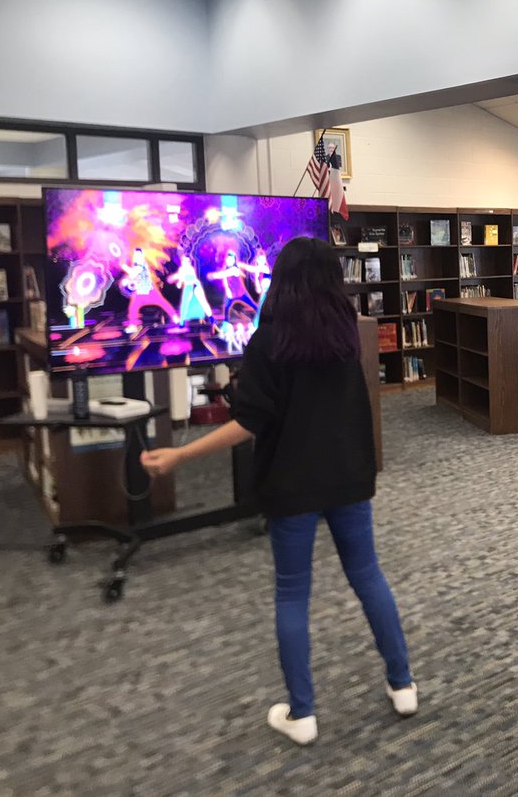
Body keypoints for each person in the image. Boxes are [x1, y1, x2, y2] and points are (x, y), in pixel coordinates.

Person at [141, 237, 417, 745]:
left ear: (282, 283)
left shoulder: (269, 342)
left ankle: (303, 714)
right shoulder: (345, 336)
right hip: (348, 478)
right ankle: (403, 685)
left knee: (293, 593)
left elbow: (250, 422)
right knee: (368, 577)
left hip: (292, 485)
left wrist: (179, 455)